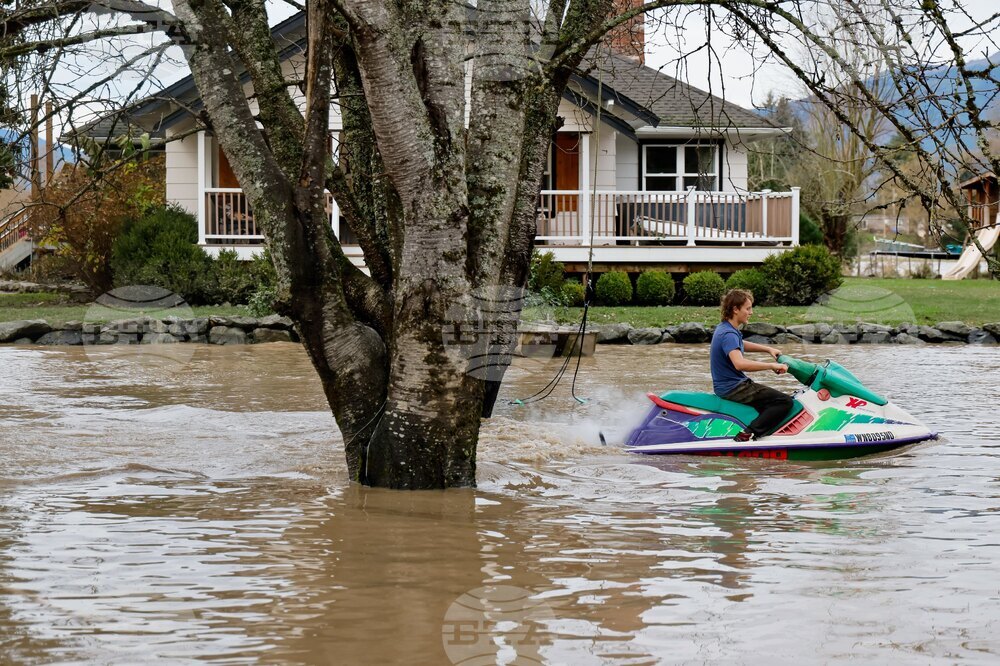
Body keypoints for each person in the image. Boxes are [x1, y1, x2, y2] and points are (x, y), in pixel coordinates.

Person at [710, 289, 793, 442]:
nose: (751, 312)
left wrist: (768, 349)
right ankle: (747, 434)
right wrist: (771, 366)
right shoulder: (728, 334)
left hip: (727, 386)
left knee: (771, 400)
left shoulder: (725, 328)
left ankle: (764, 431)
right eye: (748, 309)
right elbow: (739, 364)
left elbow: (740, 344)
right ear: (735, 309)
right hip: (734, 388)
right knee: (785, 401)